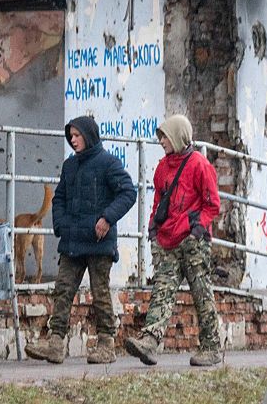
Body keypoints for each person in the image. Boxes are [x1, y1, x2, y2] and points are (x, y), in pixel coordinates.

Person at [25, 115, 137, 364]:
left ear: (89, 135)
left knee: (100, 293)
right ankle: (55, 343)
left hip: (100, 241)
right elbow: (59, 198)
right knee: (62, 290)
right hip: (72, 240)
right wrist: (61, 225)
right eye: (71, 136)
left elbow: (128, 192)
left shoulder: (109, 163)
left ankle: (107, 343)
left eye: (77, 136)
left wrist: (107, 218)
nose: (73, 140)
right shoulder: (69, 166)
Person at [124, 114, 222, 367]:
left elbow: (212, 204)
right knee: (162, 291)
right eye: (160, 137)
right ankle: (149, 340)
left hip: (193, 242)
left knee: (202, 294)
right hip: (167, 240)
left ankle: (211, 348)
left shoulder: (199, 165)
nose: (161, 141)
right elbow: (159, 201)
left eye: (165, 136)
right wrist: (154, 230)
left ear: (179, 136)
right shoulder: (162, 167)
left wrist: (196, 231)